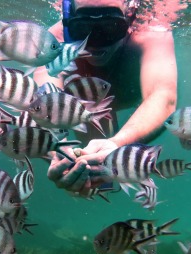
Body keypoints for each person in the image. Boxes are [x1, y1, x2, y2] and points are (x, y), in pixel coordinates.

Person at [33, 0, 177, 195]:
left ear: (130, 14)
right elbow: (41, 103)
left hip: (89, 106)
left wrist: (116, 144)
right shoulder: (52, 42)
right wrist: (55, 151)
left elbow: (162, 95)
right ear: (70, 20)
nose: (96, 42)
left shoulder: (150, 32)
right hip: (83, 108)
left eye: (111, 27)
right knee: (93, 180)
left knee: (97, 170)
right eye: (83, 28)